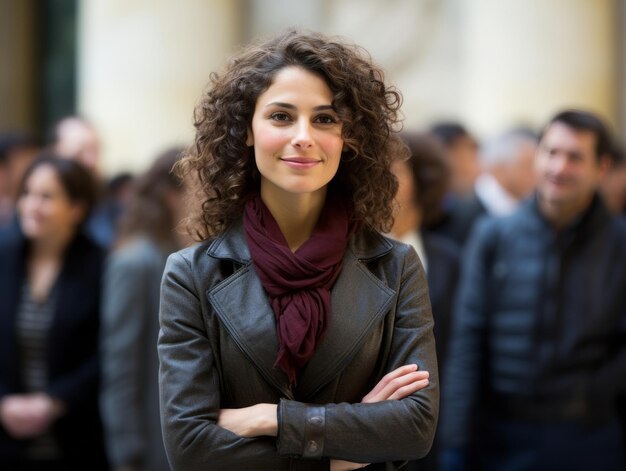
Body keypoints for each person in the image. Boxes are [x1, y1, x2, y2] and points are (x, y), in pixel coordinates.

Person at [158, 30, 439, 471]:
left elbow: (415, 427)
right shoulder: (191, 274)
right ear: (246, 130)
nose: (304, 136)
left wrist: (270, 418)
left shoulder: (395, 266)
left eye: (325, 119)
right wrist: (343, 453)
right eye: (281, 116)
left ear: (349, 137)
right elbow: (189, 447)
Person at [440, 109, 626, 470]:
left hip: (590, 437)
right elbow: (468, 340)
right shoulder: (493, 235)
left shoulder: (620, 244)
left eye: (575, 157)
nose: (559, 167)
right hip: (501, 437)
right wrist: (455, 441)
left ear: (601, 168)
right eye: (551, 152)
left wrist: (596, 395)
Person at [0, 154, 109, 470]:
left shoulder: (102, 266)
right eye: (27, 193)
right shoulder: (3, 257)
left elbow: (109, 353)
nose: (31, 205)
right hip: (7, 436)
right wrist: (4, 402)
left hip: (76, 435)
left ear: (77, 208)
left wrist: (54, 401)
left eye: (46, 197)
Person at [100, 148, 187, 471]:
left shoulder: (188, 255)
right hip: (148, 444)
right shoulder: (134, 261)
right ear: (171, 196)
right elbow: (120, 364)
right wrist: (126, 450)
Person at [388, 132, 460, 471]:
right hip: (373, 423)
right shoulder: (350, 258)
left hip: (436, 419)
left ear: (420, 180)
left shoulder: (450, 259)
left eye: (395, 173)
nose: (382, 184)